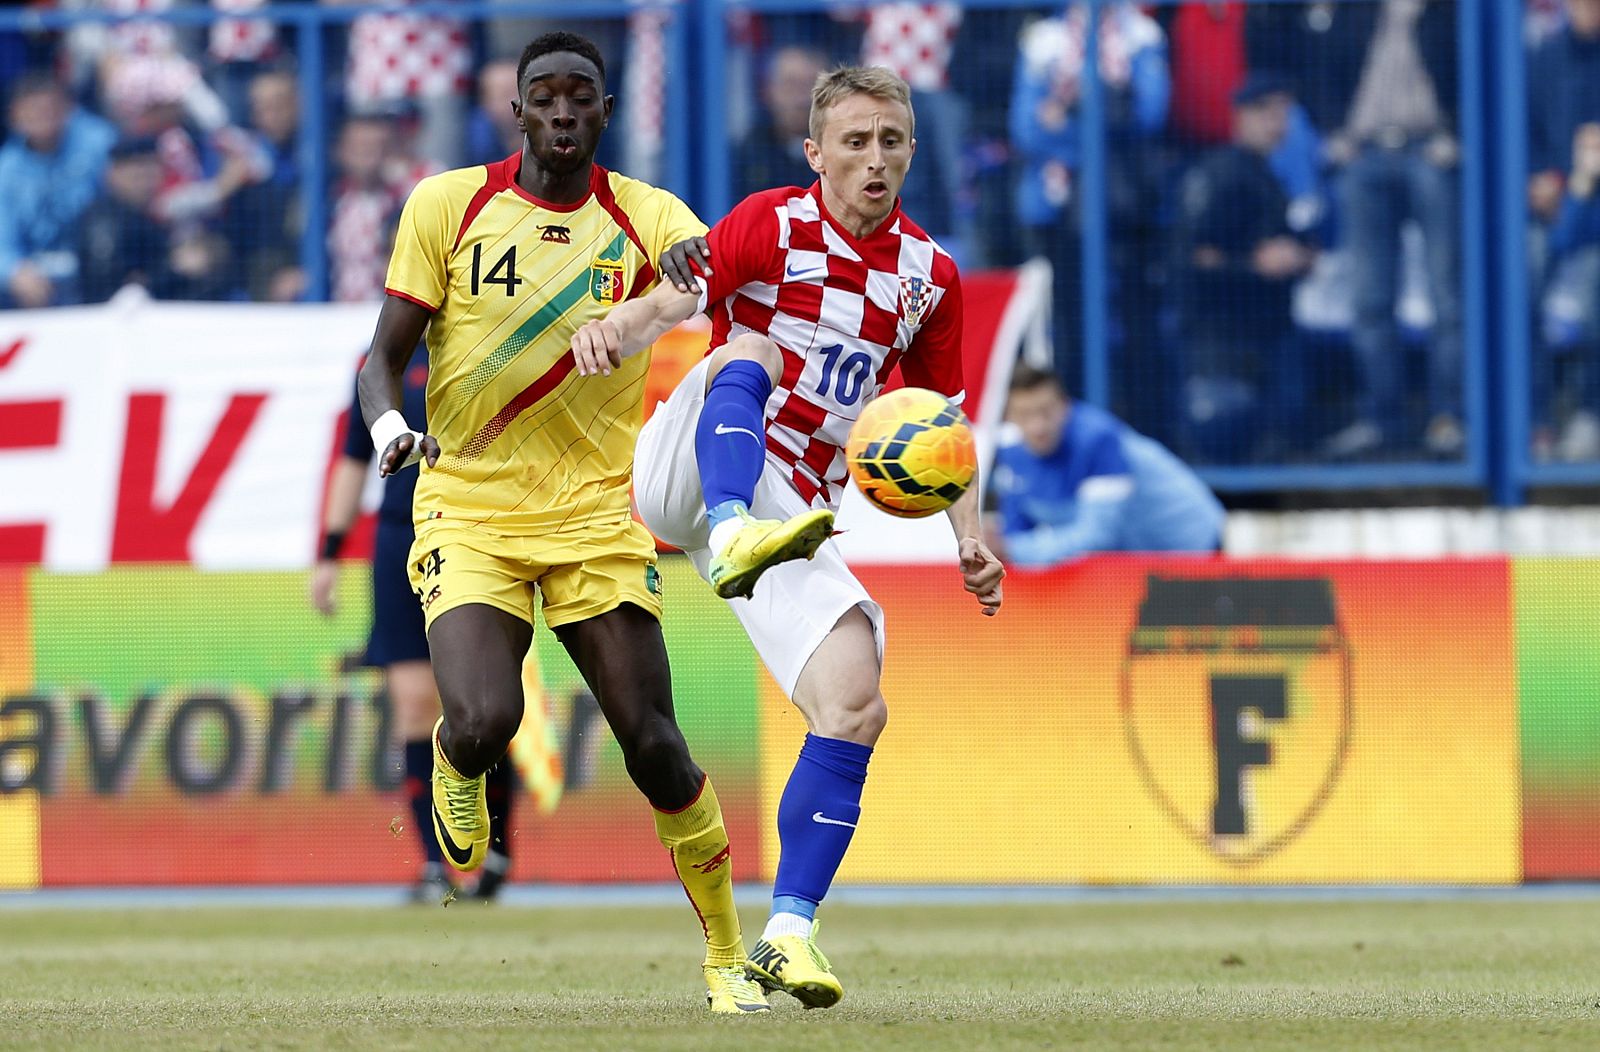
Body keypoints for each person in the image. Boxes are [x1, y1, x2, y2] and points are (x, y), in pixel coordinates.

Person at [568, 65, 1005, 1009]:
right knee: (750, 348)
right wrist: (616, 325)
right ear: (816, 153)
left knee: (854, 702)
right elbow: (674, 303)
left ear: (911, 151)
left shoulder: (931, 278)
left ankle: (787, 934)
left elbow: (941, 427)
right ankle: (726, 532)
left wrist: (969, 538)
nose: (874, 159)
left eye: (890, 141)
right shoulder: (771, 221)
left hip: (791, 511)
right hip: (689, 465)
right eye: (854, 142)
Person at [355, 32, 768, 1015]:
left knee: (657, 745)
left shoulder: (647, 213)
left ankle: (723, 953)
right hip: (469, 502)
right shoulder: (448, 205)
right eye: (545, 94)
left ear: (604, 111)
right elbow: (380, 356)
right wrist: (387, 427)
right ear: (517, 108)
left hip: (592, 512)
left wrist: (671, 286)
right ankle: (458, 765)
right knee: (487, 717)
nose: (563, 110)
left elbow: (703, 274)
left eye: (581, 95)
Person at [310, 347, 522, 904]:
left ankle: (494, 849)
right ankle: (435, 863)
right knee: (411, 703)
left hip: (477, 532)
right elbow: (356, 457)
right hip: (401, 536)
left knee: (479, 701)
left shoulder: (493, 336)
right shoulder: (384, 359)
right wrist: (329, 552)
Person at [1173, 74, 1315, 462]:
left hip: (1268, 334)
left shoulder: (1272, 176)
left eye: (1282, 113)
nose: (1275, 123)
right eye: (1264, 113)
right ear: (1240, 117)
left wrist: (1299, 258)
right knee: (1222, 434)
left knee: (1276, 442)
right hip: (1219, 336)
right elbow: (1190, 256)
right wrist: (1253, 264)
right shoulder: (1219, 173)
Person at [991, 366, 1225, 567]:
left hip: (1189, 547)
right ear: (1008, 415)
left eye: (1046, 411)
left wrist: (1014, 550)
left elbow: (1097, 536)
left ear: (1064, 406)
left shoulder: (1098, 440)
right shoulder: (1009, 450)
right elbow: (1014, 533)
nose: (1037, 426)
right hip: (1131, 558)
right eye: (1024, 414)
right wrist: (1007, 548)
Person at [0, 73, 115, 307]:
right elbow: (3, 239)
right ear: (14, 116)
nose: (42, 116)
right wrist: (13, 271)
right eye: (32, 110)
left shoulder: (99, 142)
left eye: (50, 108)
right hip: (36, 276)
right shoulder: (7, 168)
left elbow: (123, 204)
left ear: (68, 108)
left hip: (97, 265)